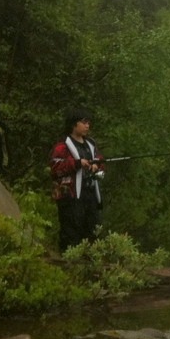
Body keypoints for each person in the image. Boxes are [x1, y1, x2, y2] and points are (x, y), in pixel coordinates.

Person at [50, 108, 104, 253]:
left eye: (89, 123)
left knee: (93, 231)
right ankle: (68, 261)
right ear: (74, 124)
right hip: (70, 196)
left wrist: (96, 166)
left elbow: (100, 160)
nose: (87, 126)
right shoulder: (62, 145)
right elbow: (55, 167)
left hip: (90, 195)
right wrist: (77, 163)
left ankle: (90, 262)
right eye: (84, 122)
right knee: (71, 232)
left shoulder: (91, 144)